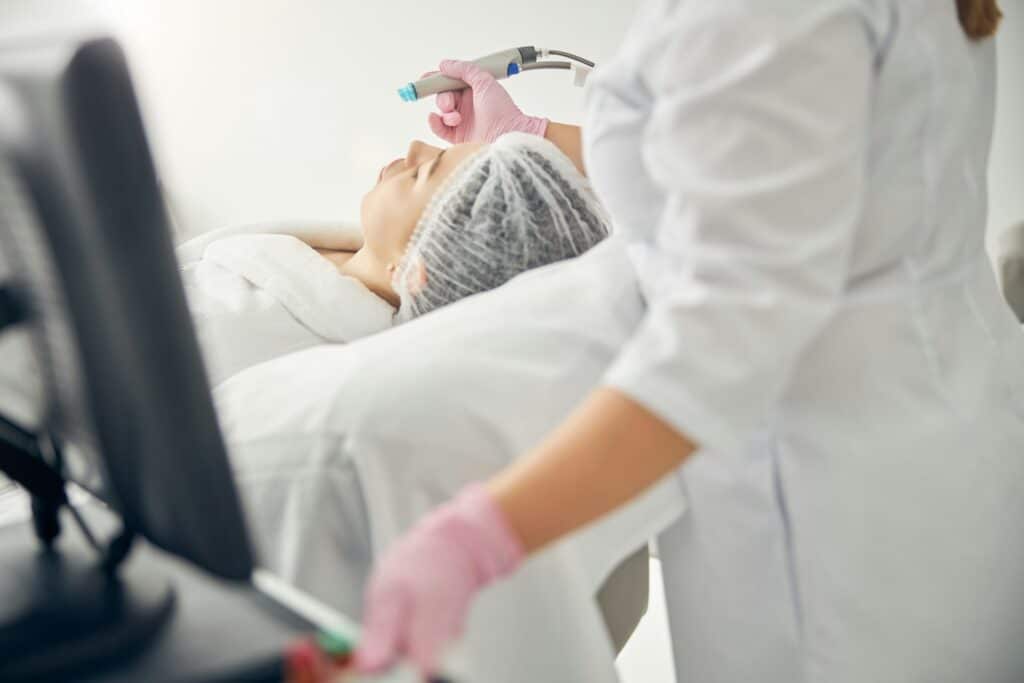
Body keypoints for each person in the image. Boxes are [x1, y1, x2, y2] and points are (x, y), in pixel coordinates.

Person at [356, 1, 1024, 681]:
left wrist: (484, 536)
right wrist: (536, 134)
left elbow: (723, 340)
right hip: (942, 426)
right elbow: (770, 155)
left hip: (845, 523)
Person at [174, 132, 609, 385]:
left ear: (412, 269)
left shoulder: (262, 339)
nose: (417, 146)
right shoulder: (329, 258)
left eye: (424, 172)